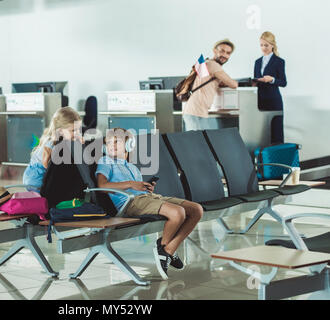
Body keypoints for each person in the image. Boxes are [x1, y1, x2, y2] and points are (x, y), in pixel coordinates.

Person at [95, 128, 203, 279]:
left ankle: (168, 250)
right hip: (130, 203)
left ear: (128, 145)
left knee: (196, 210)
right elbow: (102, 187)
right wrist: (132, 184)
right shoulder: (105, 161)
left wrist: (146, 187)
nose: (111, 145)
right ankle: (164, 251)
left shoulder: (131, 166)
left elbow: (139, 190)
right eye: (108, 142)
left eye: (116, 141)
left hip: (147, 198)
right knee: (178, 213)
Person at [182, 39, 238, 131]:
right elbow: (233, 84)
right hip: (196, 112)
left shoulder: (206, 62)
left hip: (195, 111)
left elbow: (207, 82)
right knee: (200, 142)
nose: (224, 55)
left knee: (201, 142)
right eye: (222, 51)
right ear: (214, 51)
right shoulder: (213, 65)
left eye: (228, 53)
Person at [23, 106, 82, 191]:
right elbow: (45, 164)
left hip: (37, 175)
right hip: (35, 178)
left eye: (78, 130)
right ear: (61, 131)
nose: (77, 133)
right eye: (73, 130)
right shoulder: (51, 142)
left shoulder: (63, 140)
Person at [254, 31, 287, 143]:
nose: (263, 48)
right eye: (261, 45)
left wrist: (272, 79)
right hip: (260, 100)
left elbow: (283, 82)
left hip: (274, 100)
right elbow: (256, 79)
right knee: (262, 132)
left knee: (276, 132)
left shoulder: (279, 61)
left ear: (272, 45)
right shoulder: (257, 62)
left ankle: (277, 158)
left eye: (266, 45)